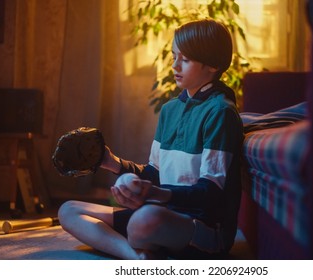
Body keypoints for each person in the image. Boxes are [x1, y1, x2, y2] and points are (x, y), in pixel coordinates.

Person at [58, 18, 244, 260]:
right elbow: (155, 172)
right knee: (68, 211)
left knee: (144, 219)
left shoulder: (220, 112)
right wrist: (112, 162)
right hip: (161, 211)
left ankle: (141, 246)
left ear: (212, 65)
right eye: (174, 56)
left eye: (185, 60)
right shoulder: (170, 111)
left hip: (201, 228)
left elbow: (210, 195)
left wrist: (156, 194)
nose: (175, 66)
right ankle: (139, 259)